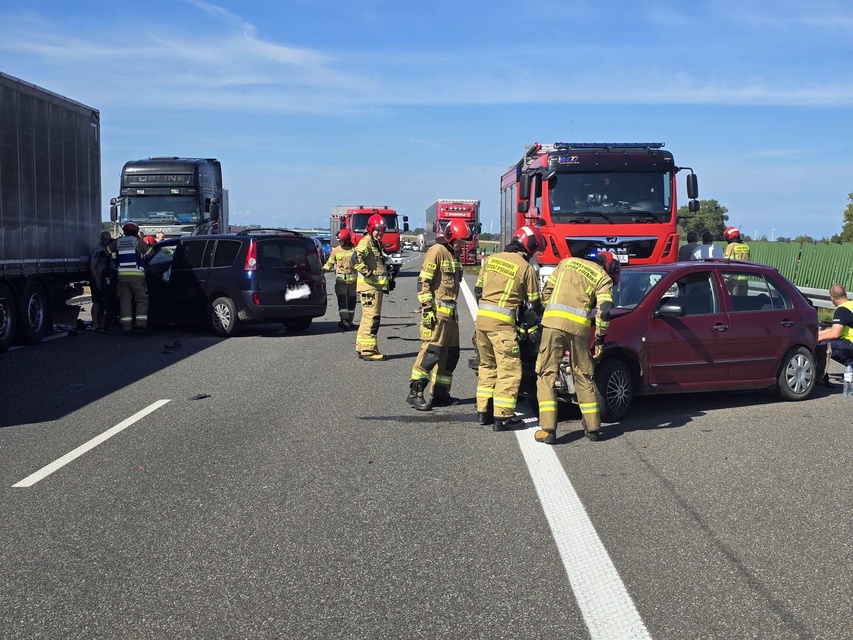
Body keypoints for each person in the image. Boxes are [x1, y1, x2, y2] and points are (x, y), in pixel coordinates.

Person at [534, 251, 620, 444]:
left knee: (546, 374)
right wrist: (599, 339)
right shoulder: (602, 277)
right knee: (583, 375)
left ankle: (548, 430)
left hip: (553, 324)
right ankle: (593, 429)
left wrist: (552, 312)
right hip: (579, 328)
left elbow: (546, 292)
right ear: (611, 267)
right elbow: (604, 311)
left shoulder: (566, 263)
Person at [474, 226, 543, 430]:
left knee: (487, 366)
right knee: (509, 370)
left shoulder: (491, 259)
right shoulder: (525, 268)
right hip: (502, 327)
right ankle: (503, 417)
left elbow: (478, 290)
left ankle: (483, 412)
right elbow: (536, 304)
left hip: (482, 323)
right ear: (529, 247)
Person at [407, 219, 471, 411]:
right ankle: (415, 393)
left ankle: (441, 394)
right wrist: (427, 308)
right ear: (451, 237)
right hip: (437, 314)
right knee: (431, 354)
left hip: (452, 315)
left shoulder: (453, 255)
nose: (462, 245)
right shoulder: (437, 252)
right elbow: (424, 281)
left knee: (451, 355)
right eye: (460, 241)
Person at [106, 221, 154, 336]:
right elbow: (151, 254)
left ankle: (126, 327)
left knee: (125, 302)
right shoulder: (138, 242)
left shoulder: (117, 242)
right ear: (135, 231)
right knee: (141, 300)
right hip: (137, 276)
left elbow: (104, 253)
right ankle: (140, 326)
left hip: (121, 277)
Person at [353, 214, 391, 360]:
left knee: (366, 318)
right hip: (370, 288)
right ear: (370, 229)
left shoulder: (374, 242)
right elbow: (355, 259)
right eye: (377, 230)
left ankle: (361, 347)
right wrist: (368, 273)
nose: (380, 233)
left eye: (382, 230)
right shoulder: (367, 242)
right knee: (372, 319)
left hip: (372, 288)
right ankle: (369, 351)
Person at [323, 229, 359, 330]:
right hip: (341, 282)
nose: (339, 242)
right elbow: (329, 263)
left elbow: (359, 264)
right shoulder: (336, 250)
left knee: (352, 302)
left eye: (341, 240)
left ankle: (350, 321)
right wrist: (323, 271)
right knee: (342, 302)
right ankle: (344, 320)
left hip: (353, 282)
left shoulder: (354, 250)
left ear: (347, 240)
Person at [817, 284, 853, 378]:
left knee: (822, 345)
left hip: (850, 345)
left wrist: (816, 339)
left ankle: (819, 376)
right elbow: (835, 329)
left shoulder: (842, 310)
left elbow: (835, 334)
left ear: (832, 298)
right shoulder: (851, 305)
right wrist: (817, 333)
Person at [88, 231, 113, 331]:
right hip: (97, 278)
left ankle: (101, 323)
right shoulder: (98, 250)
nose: (107, 241)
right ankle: (95, 324)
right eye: (105, 239)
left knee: (102, 302)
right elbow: (92, 266)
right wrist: (97, 280)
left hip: (104, 279)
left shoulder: (107, 249)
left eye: (108, 240)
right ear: (101, 239)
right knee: (97, 302)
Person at [723, 226, 750, 295]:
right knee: (742, 303)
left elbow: (728, 264)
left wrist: (725, 279)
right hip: (745, 279)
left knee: (734, 302)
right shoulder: (746, 246)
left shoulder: (731, 246)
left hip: (734, 280)